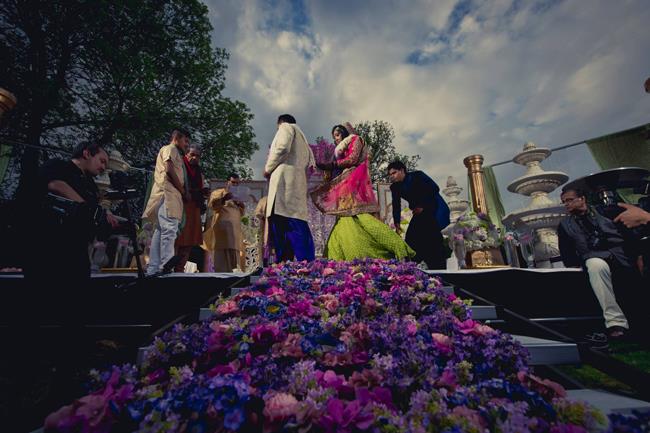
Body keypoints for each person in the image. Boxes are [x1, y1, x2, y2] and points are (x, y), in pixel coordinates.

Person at [311, 124, 414, 260]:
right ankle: (338, 258)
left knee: (363, 219)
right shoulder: (339, 151)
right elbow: (336, 170)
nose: (335, 139)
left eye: (337, 135)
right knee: (343, 221)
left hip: (354, 186)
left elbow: (352, 159)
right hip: (343, 188)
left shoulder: (356, 140)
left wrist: (332, 165)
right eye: (333, 137)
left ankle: (398, 247)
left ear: (344, 133)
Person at [558, 187, 640, 342]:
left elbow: (629, 234)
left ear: (582, 199)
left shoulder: (606, 211)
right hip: (594, 260)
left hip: (621, 256)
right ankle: (616, 323)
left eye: (569, 200)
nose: (566, 204)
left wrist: (638, 254)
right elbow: (567, 255)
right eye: (564, 202)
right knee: (595, 264)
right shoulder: (564, 225)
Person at [263, 114, 316, 263]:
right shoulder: (303, 139)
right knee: (295, 223)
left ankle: (285, 264)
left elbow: (281, 148)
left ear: (280, 123)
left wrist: (268, 168)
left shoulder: (285, 127)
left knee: (283, 225)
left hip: (283, 184)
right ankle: (304, 263)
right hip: (296, 184)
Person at [142, 129, 190, 275]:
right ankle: (166, 267)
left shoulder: (172, 151)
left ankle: (154, 268)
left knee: (161, 231)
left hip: (169, 195)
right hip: (169, 195)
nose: (187, 145)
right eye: (185, 141)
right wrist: (182, 191)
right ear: (176, 137)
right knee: (169, 230)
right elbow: (169, 170)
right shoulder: (171, 149)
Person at [387, 161, 446, 269]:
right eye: (390, 174)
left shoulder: (418, 175)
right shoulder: (394, 187)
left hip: (431, 207)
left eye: (394, 173)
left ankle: (438, 267)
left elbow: (435, 188)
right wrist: (397, 222)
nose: (392, 177)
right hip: (417, 211)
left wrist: (423, 205)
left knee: (432, 236)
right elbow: (396, 204)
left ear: (402, 170)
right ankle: (413, 267)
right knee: (411, 238)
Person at [174, 144, 208, 272]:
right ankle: (170, 267)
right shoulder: (180, 167)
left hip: (194, 208)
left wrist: (203, 192)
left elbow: (199, 188)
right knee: (177, 239)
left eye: (197, 156)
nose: (195, 158)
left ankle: (179, 269)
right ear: (186, 155)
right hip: (181, 207)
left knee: (188, 241)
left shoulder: (199, 172)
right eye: (192, 155)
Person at [203, 173, 246, 272]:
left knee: (235, 257)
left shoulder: (238, 197)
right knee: (221, 255)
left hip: (235, 231)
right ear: (227, 182)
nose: (235, 185)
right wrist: (224, 199)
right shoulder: (218, 192)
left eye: (237, 183)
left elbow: (242, 213)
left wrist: (240, 204)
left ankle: (235, 275)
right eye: (233, 182)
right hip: (222, 230)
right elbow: (213, 206)